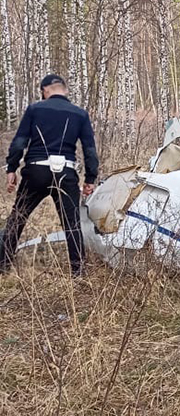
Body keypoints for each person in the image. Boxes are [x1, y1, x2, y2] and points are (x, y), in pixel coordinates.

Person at [0, 74, 99, 276]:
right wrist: (90, 179)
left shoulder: (35, 109)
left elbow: (20, 142)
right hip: (66, 172)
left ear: (45, 91)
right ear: (65, 90)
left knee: (17, 218)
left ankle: (3, 267)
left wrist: (11, 169)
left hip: (35, 170)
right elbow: (89, 149)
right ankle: (78, 272)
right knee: (72, 224)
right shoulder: (79, 114)